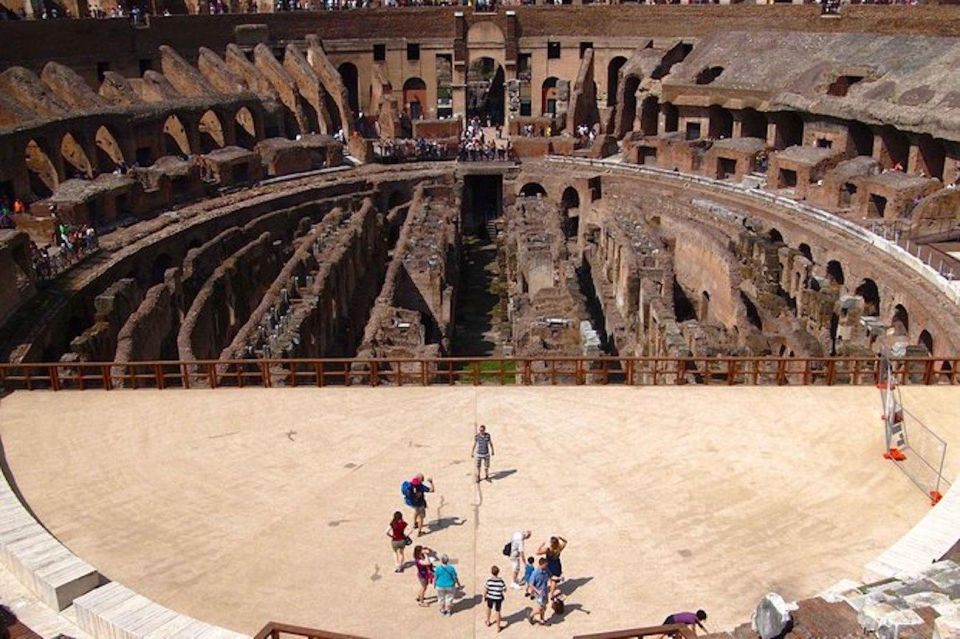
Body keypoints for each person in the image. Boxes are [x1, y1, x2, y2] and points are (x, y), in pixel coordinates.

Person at [527, 557, 551, 625]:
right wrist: (537, 591)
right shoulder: (535, 573)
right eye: (546, 565)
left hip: (545, 592)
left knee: (544, 607)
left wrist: (559, 578)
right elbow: (531, 584)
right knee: (541, 608)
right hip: (538, 594)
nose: (547, 566)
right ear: (541, 564)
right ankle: (531, 615)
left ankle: (542, 619)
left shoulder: (546, 570)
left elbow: (551, 576)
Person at [484, 565, 506, 631]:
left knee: (489, 608)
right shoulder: (501, 581)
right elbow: (505, 589)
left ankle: (488, 621)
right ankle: (498, 627)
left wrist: (485, 596)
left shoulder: (489, 580)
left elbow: (486, 589)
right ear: (498, 572)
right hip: (498, 598)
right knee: (498, 611)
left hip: (490, 597)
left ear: (491, 572)